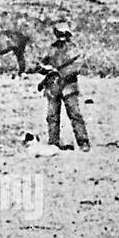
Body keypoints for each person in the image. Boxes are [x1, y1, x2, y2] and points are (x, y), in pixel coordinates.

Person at [34, 22, 90, 151]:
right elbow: (41, 64)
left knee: (74, 114)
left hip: (68, 86)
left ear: (68, 35)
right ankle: (54, 142)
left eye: (63, 34)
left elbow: (77, 67)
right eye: (59, 34)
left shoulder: (74, 49)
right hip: (53, 86)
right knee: (52, 116)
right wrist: (43, 69)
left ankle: (83, 142)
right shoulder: (52, 48)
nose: (61, 37)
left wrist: (57, 72)